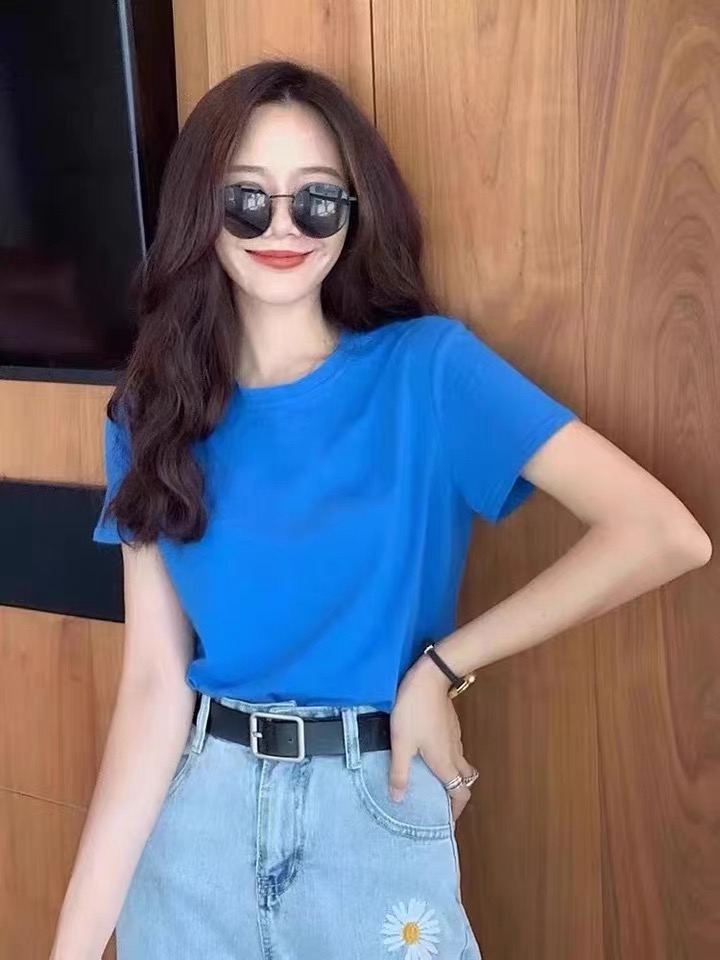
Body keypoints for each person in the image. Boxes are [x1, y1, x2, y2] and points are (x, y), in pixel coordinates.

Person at [50, 60, 712, 960]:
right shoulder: (148, 414)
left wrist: (442, 668)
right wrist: (73, 945)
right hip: (194, 825)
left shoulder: (427, 371)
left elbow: (663, 534)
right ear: (201, 211)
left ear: (353, 214)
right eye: (246, 199)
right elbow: (151, 689)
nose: (283, 227)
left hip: (372, 807)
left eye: (316, 200)